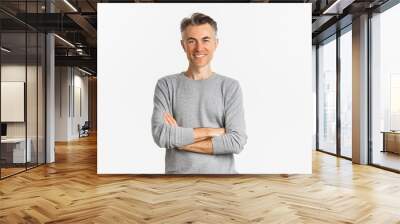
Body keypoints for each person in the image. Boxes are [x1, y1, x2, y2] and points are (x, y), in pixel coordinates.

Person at [151, 12, 247, 174]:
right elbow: (161, 136)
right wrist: (210, 131)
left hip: (223, 180)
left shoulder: (230, 87)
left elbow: (236, 141)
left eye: (206, 40)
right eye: (191, 41)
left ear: (216, 44)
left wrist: (178, 140)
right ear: (183, 45)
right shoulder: (166, 85)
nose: (199, 48)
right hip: (177, 181)